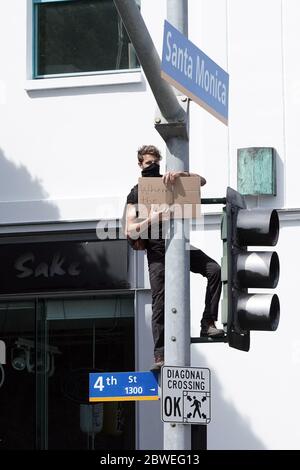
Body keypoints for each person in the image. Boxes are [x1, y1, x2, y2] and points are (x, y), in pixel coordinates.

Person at [125, 145, 224, 370]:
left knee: (214, 270)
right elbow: (129, 229)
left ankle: (208, 322)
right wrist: (154, 218)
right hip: (157, 251)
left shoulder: (168, 182)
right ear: (140, 164)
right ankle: (160, 355)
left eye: (156, 163)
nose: (153, 167)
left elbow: (202, 181)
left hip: (179, 247)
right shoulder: (135, 192)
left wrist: (182, 175)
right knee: (160, 301)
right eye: (149, 163)